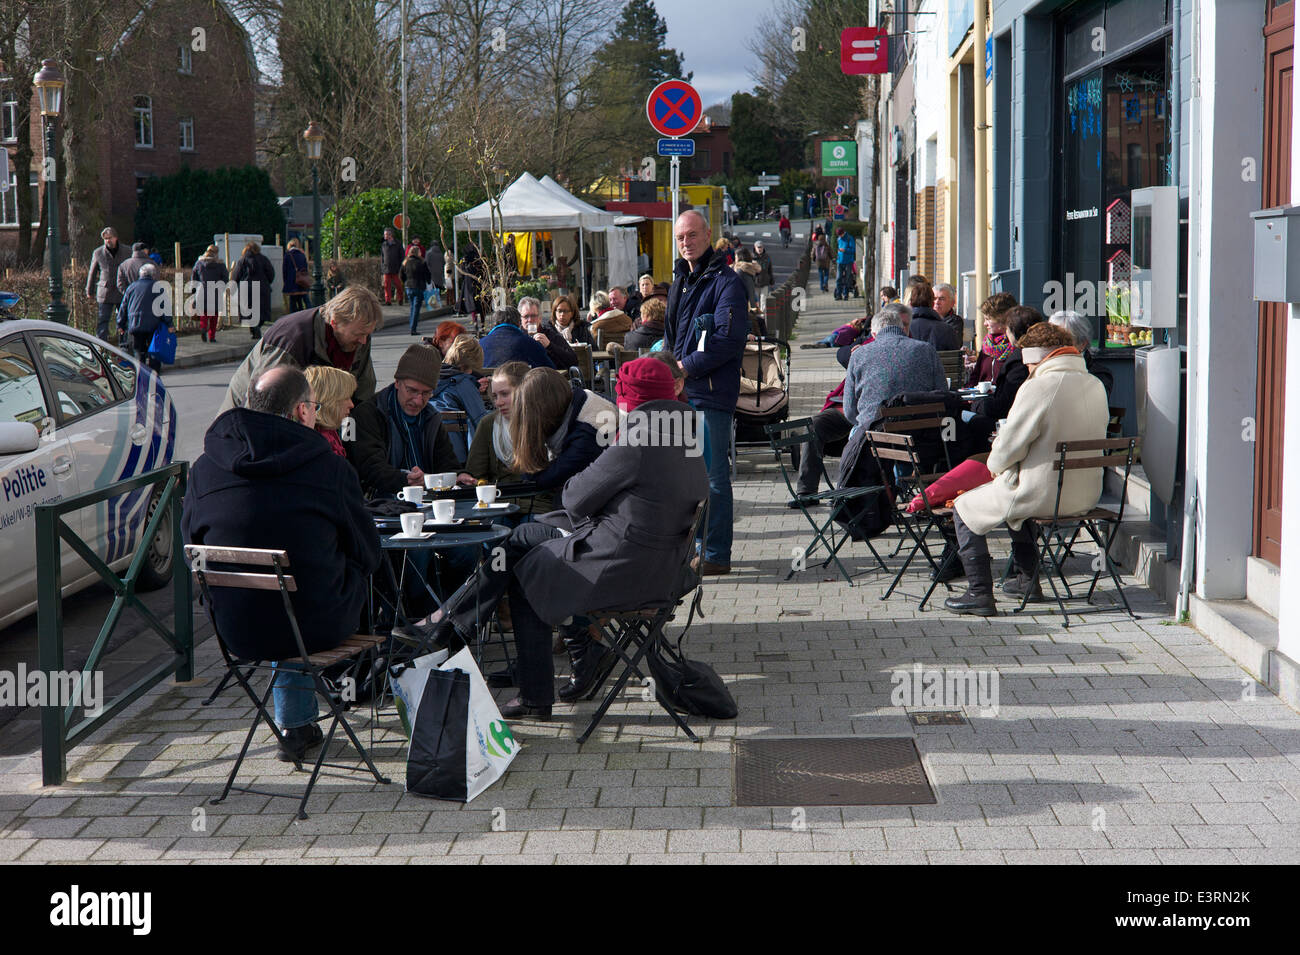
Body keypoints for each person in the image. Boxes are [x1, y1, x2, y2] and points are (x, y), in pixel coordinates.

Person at [397, 359, 705, 719]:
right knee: (522, 543)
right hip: (661, 565)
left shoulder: (633, 443)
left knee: (526, 566)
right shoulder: (684, 438)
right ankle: (455, 625)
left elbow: (574, 496)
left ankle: (461, 633)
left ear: (630, 400)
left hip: (625, 569)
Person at [182, 365, 381, 762]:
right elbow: (369, 553)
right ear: (300, 411)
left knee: (283, 594)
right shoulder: (330, 468)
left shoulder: (205, 469)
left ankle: (295, 726)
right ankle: (375, 685)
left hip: (236, 630)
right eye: (312, 405)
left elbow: (191, 545)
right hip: (319, 625)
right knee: (330, 583)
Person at [944, 323, 1109, 616]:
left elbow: (1007, 448)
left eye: (1029, 363)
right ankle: (1026, 581)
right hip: (1086, 494)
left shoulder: (1039, 386)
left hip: (1044, 494)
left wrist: (996, 465)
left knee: (964, 506)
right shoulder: (1094, 383)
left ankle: (980, 594)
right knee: (1013, 504)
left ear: (1041, 358)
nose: (1028, 370)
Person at [662, 208, 749, 575]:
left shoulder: (727, 282)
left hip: (710, 394)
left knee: (712, 478)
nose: (686, 243)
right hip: (681, 392)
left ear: (708, 235)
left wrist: (684, 369)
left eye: (692, 235)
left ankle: (715, 555)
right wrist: (669, 369)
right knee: (687, 478)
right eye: (680, 237)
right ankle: (694, 548)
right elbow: (670, 335)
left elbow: (728, 341)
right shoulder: (681, 279)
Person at [220, 285, 383, 412]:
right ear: (335, 323)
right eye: (359, 334)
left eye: (367, 334)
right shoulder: (292, 339)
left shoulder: (360, 339)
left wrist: (351, 439)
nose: (363, 340)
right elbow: (262, 405)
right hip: (244, 415)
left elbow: (362, 394)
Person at [348, 343, 459, 495]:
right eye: (412, 390)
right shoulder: (368, 414)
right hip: (382, 503)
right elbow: (370, 468)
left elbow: (447, 464)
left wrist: (460, 476)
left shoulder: (431, 416)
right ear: (397, 383)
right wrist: (405, 480)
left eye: (426, 393)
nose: (418, 401)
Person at [456, 361, 556, 516]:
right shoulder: (489, 424)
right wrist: (473, 481)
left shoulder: (546, 422)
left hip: (540, 505)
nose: (498, 402)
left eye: (505, 394)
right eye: (495, 396)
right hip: (499, 505)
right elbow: (476, 473)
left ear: (526, 390)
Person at [843, 307, 946, 435]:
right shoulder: (927, 349)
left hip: (874, 435)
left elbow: (849, 410)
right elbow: (942, 393)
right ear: (903, 330)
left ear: (874, 334)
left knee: (854, 432)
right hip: (921, 435)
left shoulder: (858, 354)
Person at [435, 334, 490, 462]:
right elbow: (481, 423)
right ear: (467, 366)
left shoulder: (432, 379)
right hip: (458, 456)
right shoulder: (462, 383)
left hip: (431, 454)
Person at [116, 263, 172, 373]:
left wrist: (120, 324)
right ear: (153, 275)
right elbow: (165, 308)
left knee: (138, 351)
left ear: (140, 274)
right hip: (154, 325)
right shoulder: (158, 287)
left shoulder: (131, 287)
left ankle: (141, 375)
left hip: (135, 325)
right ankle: (154, 376)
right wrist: (169, 324)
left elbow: (123, 307)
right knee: (154, 351)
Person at [1050, 309, 1113, 397]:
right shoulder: (1039, 367)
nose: (1056, 348)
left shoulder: (1099, 376)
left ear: (1083, 344)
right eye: (1053, 341)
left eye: (1065, 342)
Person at [86, 227, 129, 341]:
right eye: (105, 239)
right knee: (103, 320)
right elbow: (92, 272)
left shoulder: (127, 251)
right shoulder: (98, 252)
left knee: (124, 320)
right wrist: (89, 291)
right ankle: (101, 347)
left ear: (116, 238)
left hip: (122, 290)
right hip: (105, 292)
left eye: (109, 238)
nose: (107, 241)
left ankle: (124, 345)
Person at [304, 365, 357, 458]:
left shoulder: (329, 433)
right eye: (346, 398)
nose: (351, 404)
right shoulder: (319, 445)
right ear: (330, 400)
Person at [966, 292, 1017, 385]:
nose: (985, 324)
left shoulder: (1016, 345)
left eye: (988, 319)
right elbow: (976, 376)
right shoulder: (987, 344)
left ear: (1002, 318)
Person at [480, 307, 555, 369]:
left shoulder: (480, 344)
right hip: (521, 386)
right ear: (519, 323)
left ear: (494, 324)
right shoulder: (529, 343)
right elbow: (550, 369)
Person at [230, 240, 276, 338]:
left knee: (247, 311)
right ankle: (256, 328)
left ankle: (254, 328)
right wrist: (267, 283)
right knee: (262, 311)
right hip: (262, 289)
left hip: (246, 289)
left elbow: (236, 275)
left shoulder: (242, 261)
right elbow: (271, 274)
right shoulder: (264, 259)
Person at [518, 296, 576, 370]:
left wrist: (549, 345)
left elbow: (573, 361)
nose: (530, 320)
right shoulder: (516, 336)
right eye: (526, 316)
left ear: (540, 318)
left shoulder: (550, 335)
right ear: (521, 318)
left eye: (533, 316)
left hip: (548, 378)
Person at [906, 280, 961, 351]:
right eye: (935, 299)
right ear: (932, 303)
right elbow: (955, 357)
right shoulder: (947, 330)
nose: (937, 302)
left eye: (942, 299)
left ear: (910, 303)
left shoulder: (902, 328)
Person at [192, 245, 229, 344]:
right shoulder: (220, 264)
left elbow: (194, 276)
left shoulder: (199, 263)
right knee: (214, 314)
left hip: (202, 290)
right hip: (215, 290)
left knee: (204, 312)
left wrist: (193, 289)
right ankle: (212, 336)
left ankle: (203, 327)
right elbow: (225, 278)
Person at [400, 248, 432, 335]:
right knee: (416, 308)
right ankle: (413, 328)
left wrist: (405, 282)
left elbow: (401, 274)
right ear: (418, 253)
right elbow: (427, 274)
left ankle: (412, 326)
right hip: (419, 286)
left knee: (412, 307)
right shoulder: (421, 262)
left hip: (409, 286)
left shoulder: (405, 262)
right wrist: (428, 281)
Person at [283, 238, 310, 313]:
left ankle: (294, 317)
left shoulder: (287, 255)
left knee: (293, 302)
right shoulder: (302, 255)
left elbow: (284, 271)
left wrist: (286, 282)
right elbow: (305, 268)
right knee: (305, 300)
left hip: (292, 282)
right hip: (302, 281)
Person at [381, 227, 404, 305]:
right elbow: (382, 257)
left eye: (386, 234)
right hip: (386, 269)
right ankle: (388, 300)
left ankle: (400, 299)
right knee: (387, 286)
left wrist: (401, 267)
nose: (385, 236)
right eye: (384, 234)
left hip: (396, 269)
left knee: (398, 285)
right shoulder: (384, 244)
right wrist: (383, 267)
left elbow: (402, 256)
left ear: (390, 235)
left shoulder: (398, 244)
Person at [834, 227, 856, 300]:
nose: (840, 236)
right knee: (838, 278)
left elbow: (853, 250)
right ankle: (838, 295)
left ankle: (846, 294)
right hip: (840, 261)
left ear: (843, 232)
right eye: (839, 235)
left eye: (841, 235)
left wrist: (845, 250)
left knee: (847, 278)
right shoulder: (839, 239)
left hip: (848, 261)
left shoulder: (850, 238)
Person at [424, 240, 446, 309]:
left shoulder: (428, 253)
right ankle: (438, 303)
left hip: (431, 274)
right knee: (437, 290)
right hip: (439, 274)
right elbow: (443, 263)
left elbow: (426, 263)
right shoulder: (441, 254)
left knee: (431, 290)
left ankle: (432, 304)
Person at [753, 241, 774, 308]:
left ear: (763, 248)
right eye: (758, 247)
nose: (759, 249)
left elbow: (770, 269)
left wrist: (771, 280)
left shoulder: (767, 257)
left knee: (763, 301)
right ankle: (756, 316)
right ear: (755, 248)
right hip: (755, 283)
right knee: (756, 302)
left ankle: (763, 317)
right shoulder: (751, 257)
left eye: (761, 247)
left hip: (765, 282)